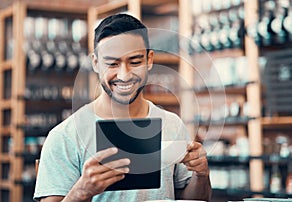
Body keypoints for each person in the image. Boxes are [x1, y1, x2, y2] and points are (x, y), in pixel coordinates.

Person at [34, 13, 211, 202]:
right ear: (95, 63)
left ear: (149, 60)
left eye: (135, 62)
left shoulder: (172, 124)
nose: (124, 75)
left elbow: (192, 199)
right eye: (112, 63)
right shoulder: (65, 136)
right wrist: (82, 191)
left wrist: (201, 175)